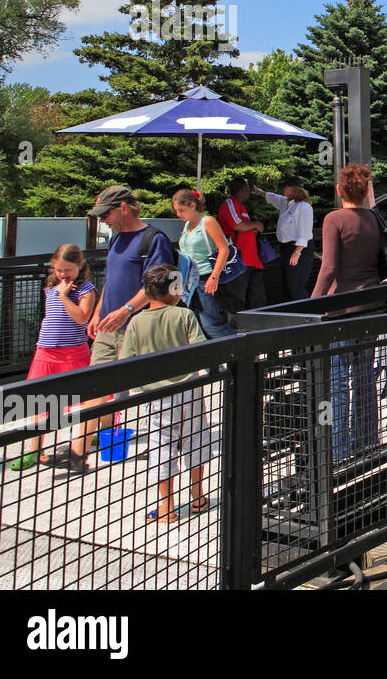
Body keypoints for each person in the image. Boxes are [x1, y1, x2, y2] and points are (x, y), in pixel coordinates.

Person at [43, 186, 176, 474]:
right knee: (96, 383)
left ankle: (167, 445)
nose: (103, 220)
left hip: (140, 329)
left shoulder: (154, 240)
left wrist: (125, 310)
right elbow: (111, 278)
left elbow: (159, 286)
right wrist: (101, 310)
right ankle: (78, 451)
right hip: (108, 327)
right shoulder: (116, 238)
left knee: (149, 389)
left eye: (107, 214)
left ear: (124, 208)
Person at [120, 264, 210, 524]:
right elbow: (201, 349)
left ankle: (167, 507)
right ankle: (197, 497)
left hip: (157, 395)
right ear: (174, 290)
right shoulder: (185, 316)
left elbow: (126, 359)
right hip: (189, 388)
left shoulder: (136, 322)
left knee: (161, 446)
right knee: (196, 439)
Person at [311, 164, 382, 461]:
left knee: (338, 380)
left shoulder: (334, 219)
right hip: (372, 304)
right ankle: (367, 442)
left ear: (339, 190)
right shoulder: (375, 219)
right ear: (366, 192)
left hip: (340, 309)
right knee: (365, 375)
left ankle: (338, 452)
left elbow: (328, 268)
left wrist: (311, 305)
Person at [7, 245, 97, 471]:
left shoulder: (86, 289)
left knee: (87, 399)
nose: (63, 275)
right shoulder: (52, 286)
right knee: (38, 400)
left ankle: (91, 437)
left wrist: (64, 296)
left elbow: (81, 318)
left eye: (68, 270)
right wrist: (58, 291)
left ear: (80, 266)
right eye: (58, 270)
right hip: (46, 351)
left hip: (73, 352)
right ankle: (34, 450)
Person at [172, 188, 244, 339]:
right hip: (191, 280)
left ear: (192, 205)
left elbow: (223, 248)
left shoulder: (207, 221)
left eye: (181, 210)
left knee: (211, 323)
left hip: (205, 278)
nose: (178, 214)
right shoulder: (187, 226)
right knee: (198, 321)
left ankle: (237, 350)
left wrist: (214, 277)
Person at [254, 177, 314, 302]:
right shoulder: (286, 203)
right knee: (287, 285)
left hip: (299, 249)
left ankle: (304, 314)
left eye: (285, 187)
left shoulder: (304, 207)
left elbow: (305, 232)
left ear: (292, 189)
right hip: (286, 248)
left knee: (296, 286)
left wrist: (297, 252)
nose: (283, 189)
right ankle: (292, 313)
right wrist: (261, 193)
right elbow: (274, 198)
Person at [217, 178, 266, 311]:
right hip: (239, 260)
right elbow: (237, 224)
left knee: (256, 299)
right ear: (243, 189)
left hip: (251, 260)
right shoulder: (230, 203)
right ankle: (235, 328)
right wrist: (256, 224)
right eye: (247, 190)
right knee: (237, 300)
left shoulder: (240, 205)